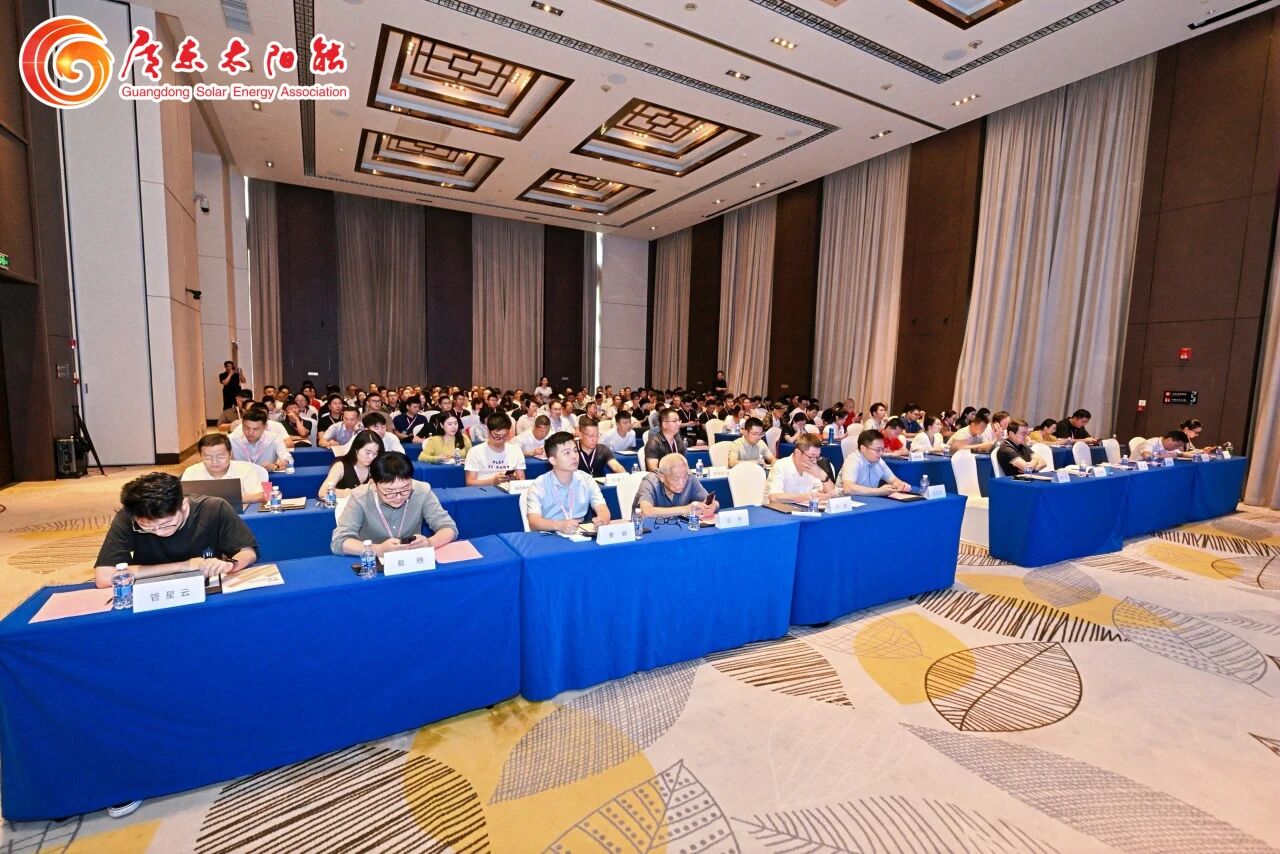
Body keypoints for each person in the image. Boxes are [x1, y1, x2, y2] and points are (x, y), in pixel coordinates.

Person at [95, 472, 257, 588]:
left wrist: (229, 565)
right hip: (150, 589)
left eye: (167, 524)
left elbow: (248, 552)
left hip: (205, 586)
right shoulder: (128, 516)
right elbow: (104, 577)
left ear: (184, 506)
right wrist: (185, 566)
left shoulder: (213, 508)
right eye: (147, 527)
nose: (159, 532)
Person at [330, 453, 457, 556]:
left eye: (405, 489)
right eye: (389, 492)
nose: (398, 497)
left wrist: (430, 542)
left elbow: (449, 527)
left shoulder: (422, 491)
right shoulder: (359, 497)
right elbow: (340, 541)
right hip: (374, 563)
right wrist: (378, 549)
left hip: (412, 559)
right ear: (373, 485)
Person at [524, 431, 612, 533]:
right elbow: (534, 522)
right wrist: (559, 526)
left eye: (575, 451)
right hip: (549, 534)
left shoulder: (586, 480)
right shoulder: (539, 485)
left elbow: (602, 508)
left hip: (579, 533)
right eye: (567, 453)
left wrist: (602, 519)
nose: (574, 456)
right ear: (553, 460)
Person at [180, 434, 265, 504]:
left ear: (230, 454)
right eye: (208, 457)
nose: (214, 462)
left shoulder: (245, 469)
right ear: (200, 456)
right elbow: (182, 498)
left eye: (220, 457)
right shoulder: (191, 471)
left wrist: (219, 500)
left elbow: (259, 496)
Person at [633, 453, 720, 519]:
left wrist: (713, 506)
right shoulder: (650, 482)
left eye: (684, 477)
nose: (682, 483)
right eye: (676, 479)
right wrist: (686, 509)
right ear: (662, 477)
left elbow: (709, 502)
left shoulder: (690, 478)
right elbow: (646, 512)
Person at [766, 432, 836, 503]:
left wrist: (823, 476)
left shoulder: (813, 467)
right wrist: (808, 497)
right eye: (811, 457)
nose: (815, 461)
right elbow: (774, 497)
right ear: (797, 453)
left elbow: (831, 495)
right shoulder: (781, 465)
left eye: (817, 457)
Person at [839, 430, 912, 496]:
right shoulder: (853, 460)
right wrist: (878, 491)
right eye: (877, 450)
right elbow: (848, 488)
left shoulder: (879, 461)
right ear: (863, 448)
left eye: (882, 449)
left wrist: (901, 485)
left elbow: (893, 480)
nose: (881, 453)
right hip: (846, 502)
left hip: (868, 500)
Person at [464, 413, 526, 486]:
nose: (501, 440)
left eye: (505, 436)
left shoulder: (516, 450)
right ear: (488, 431)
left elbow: (522, 480)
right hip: (484, 491)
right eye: (497, 436)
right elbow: (470, 483)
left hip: (507, 490)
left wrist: (515, 479)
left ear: (509, 432)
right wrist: (492, 481)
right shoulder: (475, 452)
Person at [317, 430, 383, 499]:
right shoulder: (341, 465)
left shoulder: (377, 466)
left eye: (375, 453)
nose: (371, 457)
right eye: (367, 453)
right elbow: (323, 492)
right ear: (356, 449)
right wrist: (355, 492)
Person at [644, 408, 687, 472]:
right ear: (664, 424)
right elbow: (653, 470)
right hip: (660, 477)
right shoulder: (654, 443)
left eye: (679, 420)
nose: (678, 423)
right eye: (674, 421)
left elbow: (683, 463)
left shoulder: (678, 440)